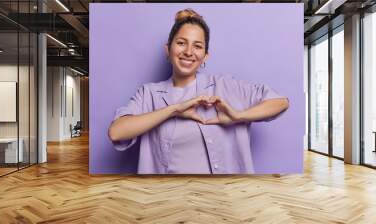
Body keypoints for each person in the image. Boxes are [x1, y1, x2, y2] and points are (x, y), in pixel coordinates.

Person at [108, 8, 289, 174]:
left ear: (205, 56)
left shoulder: (226, 86)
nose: (188, 52)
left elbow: (280, 102)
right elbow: (117, 132)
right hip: (165, 201)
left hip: (223, 197)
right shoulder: (149, 94)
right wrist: (175, 110)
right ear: (168, 49)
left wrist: (238, 116)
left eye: (197, 46)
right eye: (181, 43)